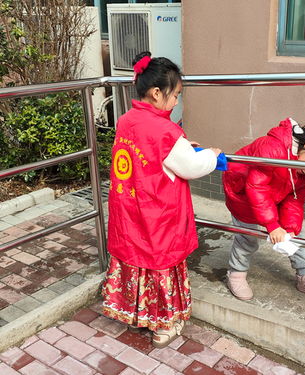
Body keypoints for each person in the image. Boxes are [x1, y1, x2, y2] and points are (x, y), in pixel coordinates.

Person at [102, 51, 221, 348]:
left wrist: (182, 145)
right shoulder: (167, 131)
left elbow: (150, 156)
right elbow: (191, 167)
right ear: (157, 93)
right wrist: (211, 155)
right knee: (159, 264)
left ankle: (134, 311)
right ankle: (164, 325)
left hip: (130, 212)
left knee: (136, 259)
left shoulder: (127, 120)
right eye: (176, 94)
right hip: (158, 216)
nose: (177, 101)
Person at [223, 117, 305, 301]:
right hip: (244, 192)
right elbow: (257, 187)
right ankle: (236, 274)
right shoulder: (273, 147)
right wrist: (272, 225)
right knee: (247, 237)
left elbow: (295, 199)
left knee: (296, 234)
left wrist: (290, 228)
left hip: (275, 192)